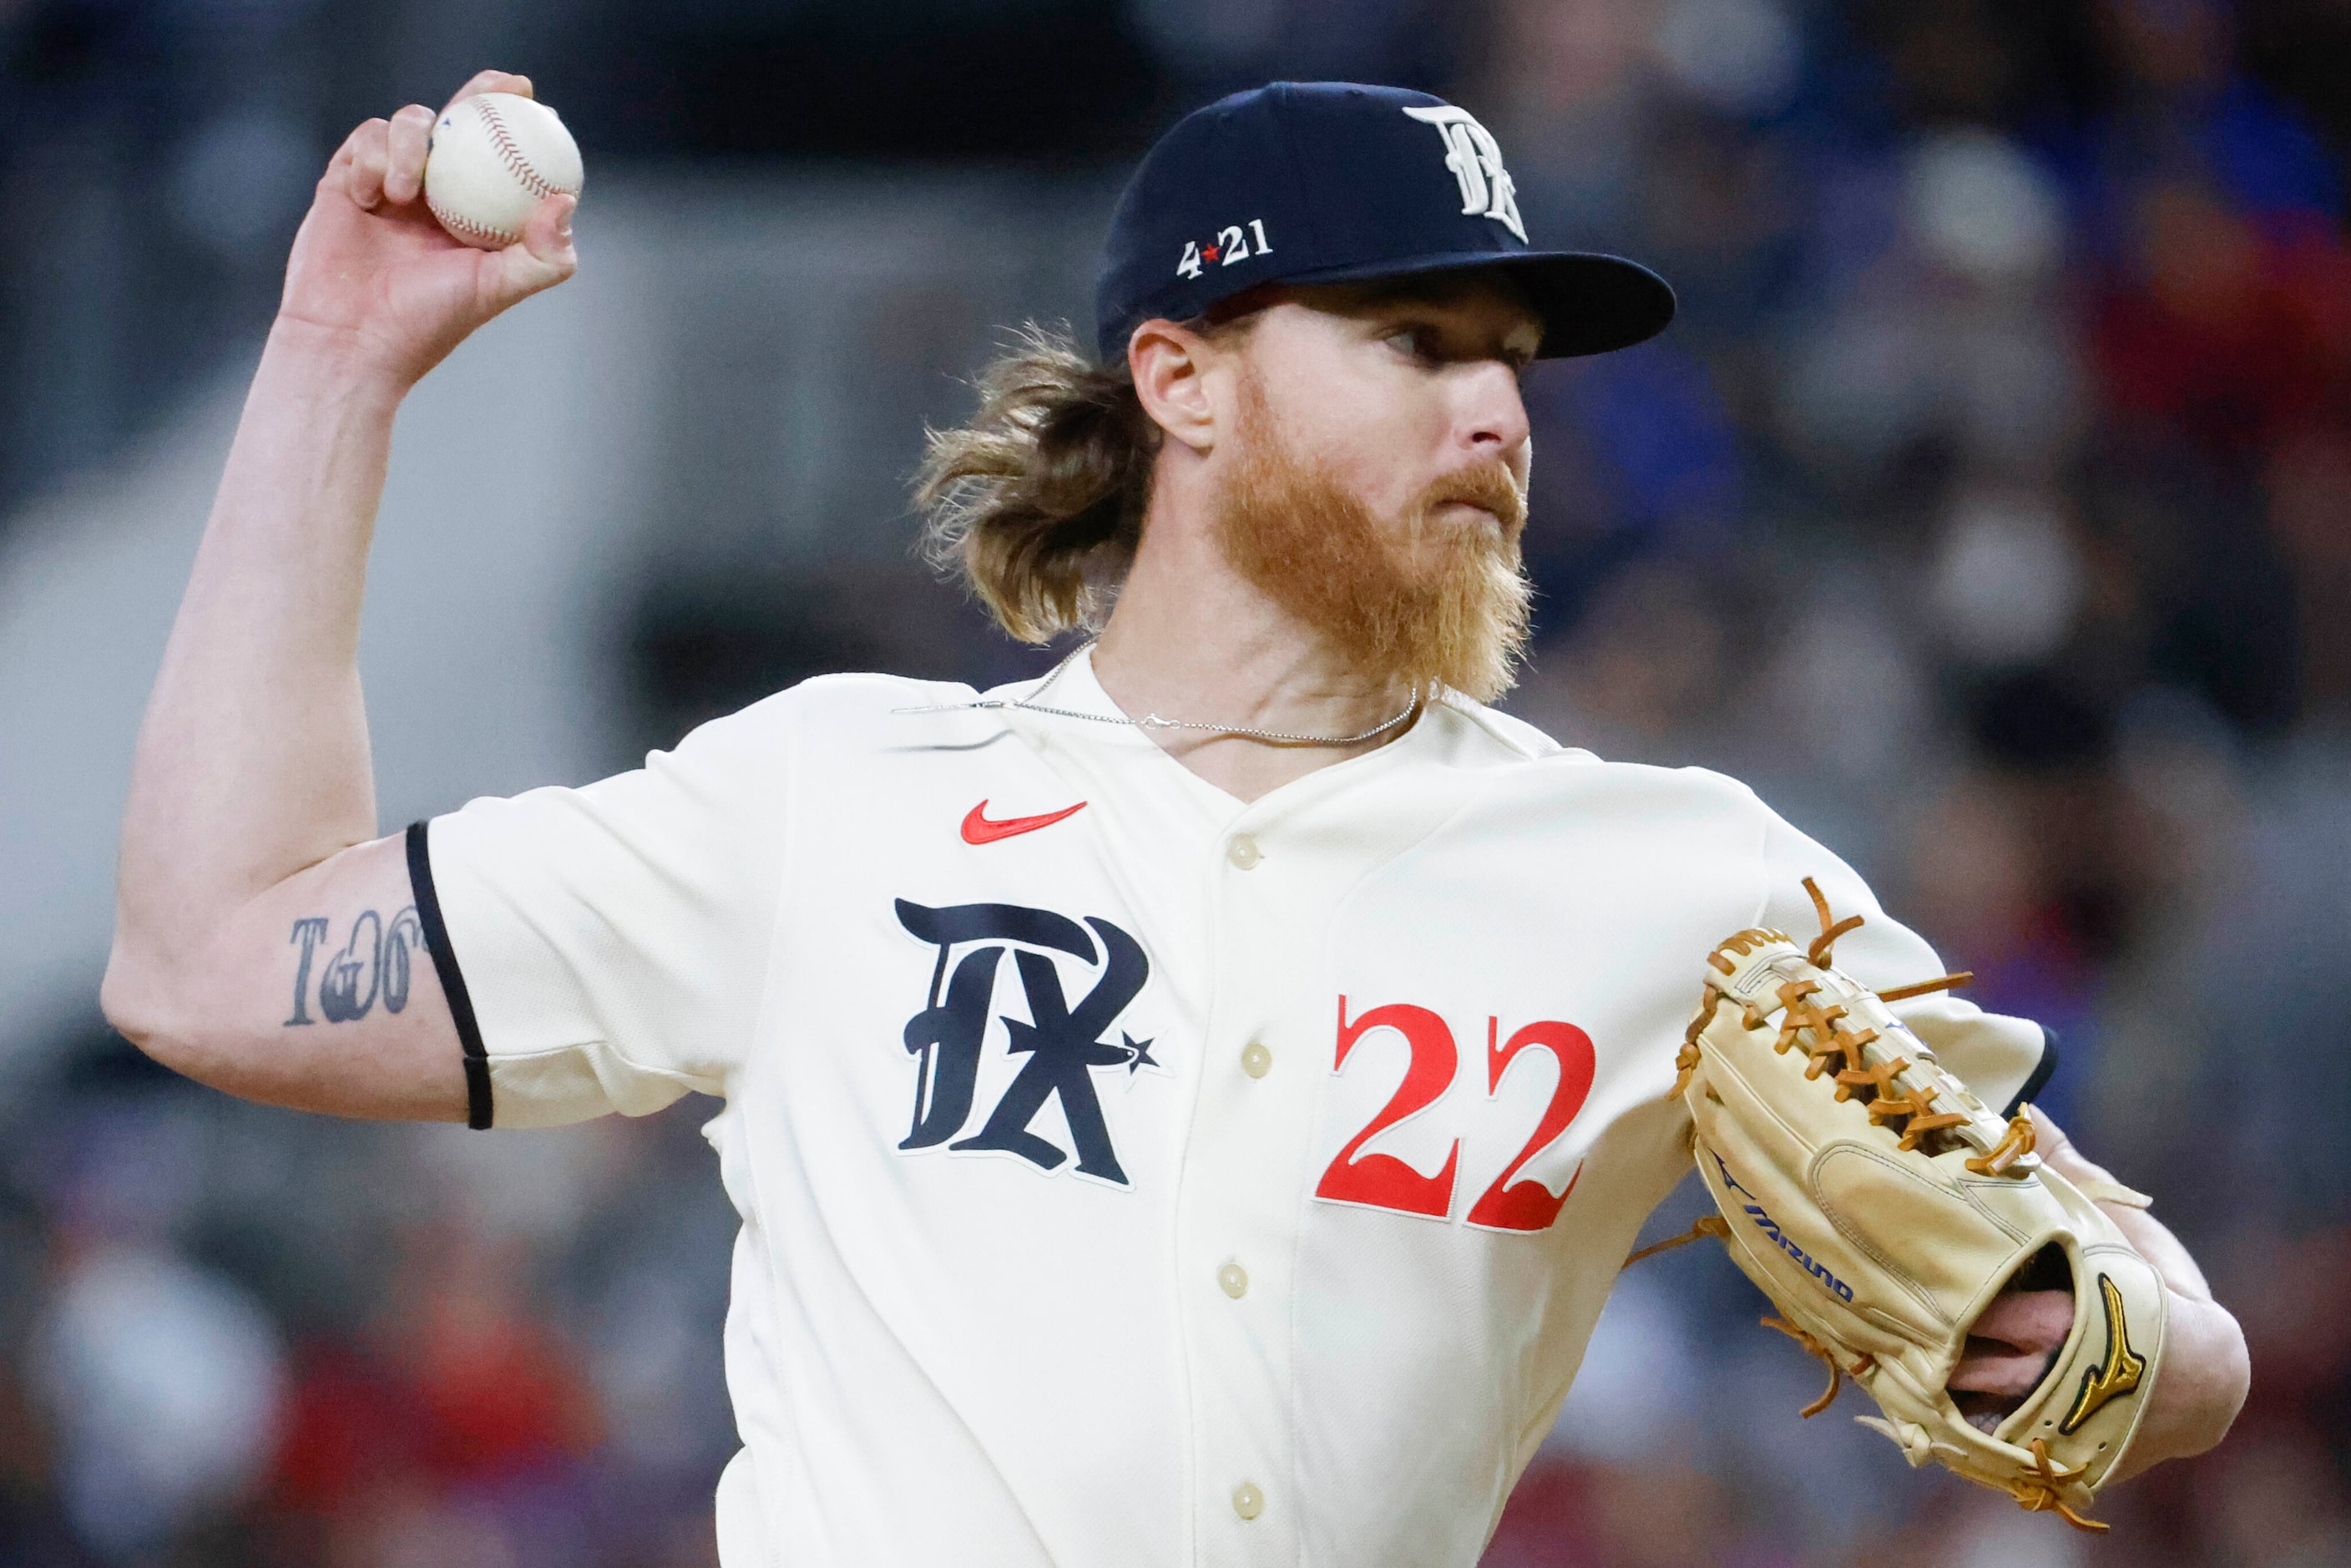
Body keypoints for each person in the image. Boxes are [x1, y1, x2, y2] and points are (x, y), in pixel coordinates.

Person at [103, 72, 2247, 1566]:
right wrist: (336, 360)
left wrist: (2077, 1328)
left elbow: (2171, 1336)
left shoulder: (1676, 881)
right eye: (1414, 336)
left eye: (1514, 355)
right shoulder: (830, 800)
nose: (1496, 405)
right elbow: (217, 960)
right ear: (1181, 378)